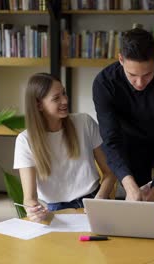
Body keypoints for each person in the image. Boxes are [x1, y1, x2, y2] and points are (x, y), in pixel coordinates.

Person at [92, 28, 154, 202]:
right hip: (127, 141)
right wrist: (129, 185)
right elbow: (110, 139)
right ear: (121, 59)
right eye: (132, 75)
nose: (139, 83)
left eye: (147, 74)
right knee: (136, 197)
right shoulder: (104, 83)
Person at [14, 73, 116, 222]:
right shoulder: (25, 140)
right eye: (56, 98)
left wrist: (99, 198)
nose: (65, 100)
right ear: (38, 105)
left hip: (93, 200)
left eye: (64, 93)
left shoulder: (84, 123)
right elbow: (29, 199)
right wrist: (33, 210)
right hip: (55, 209)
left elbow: (110, 172)